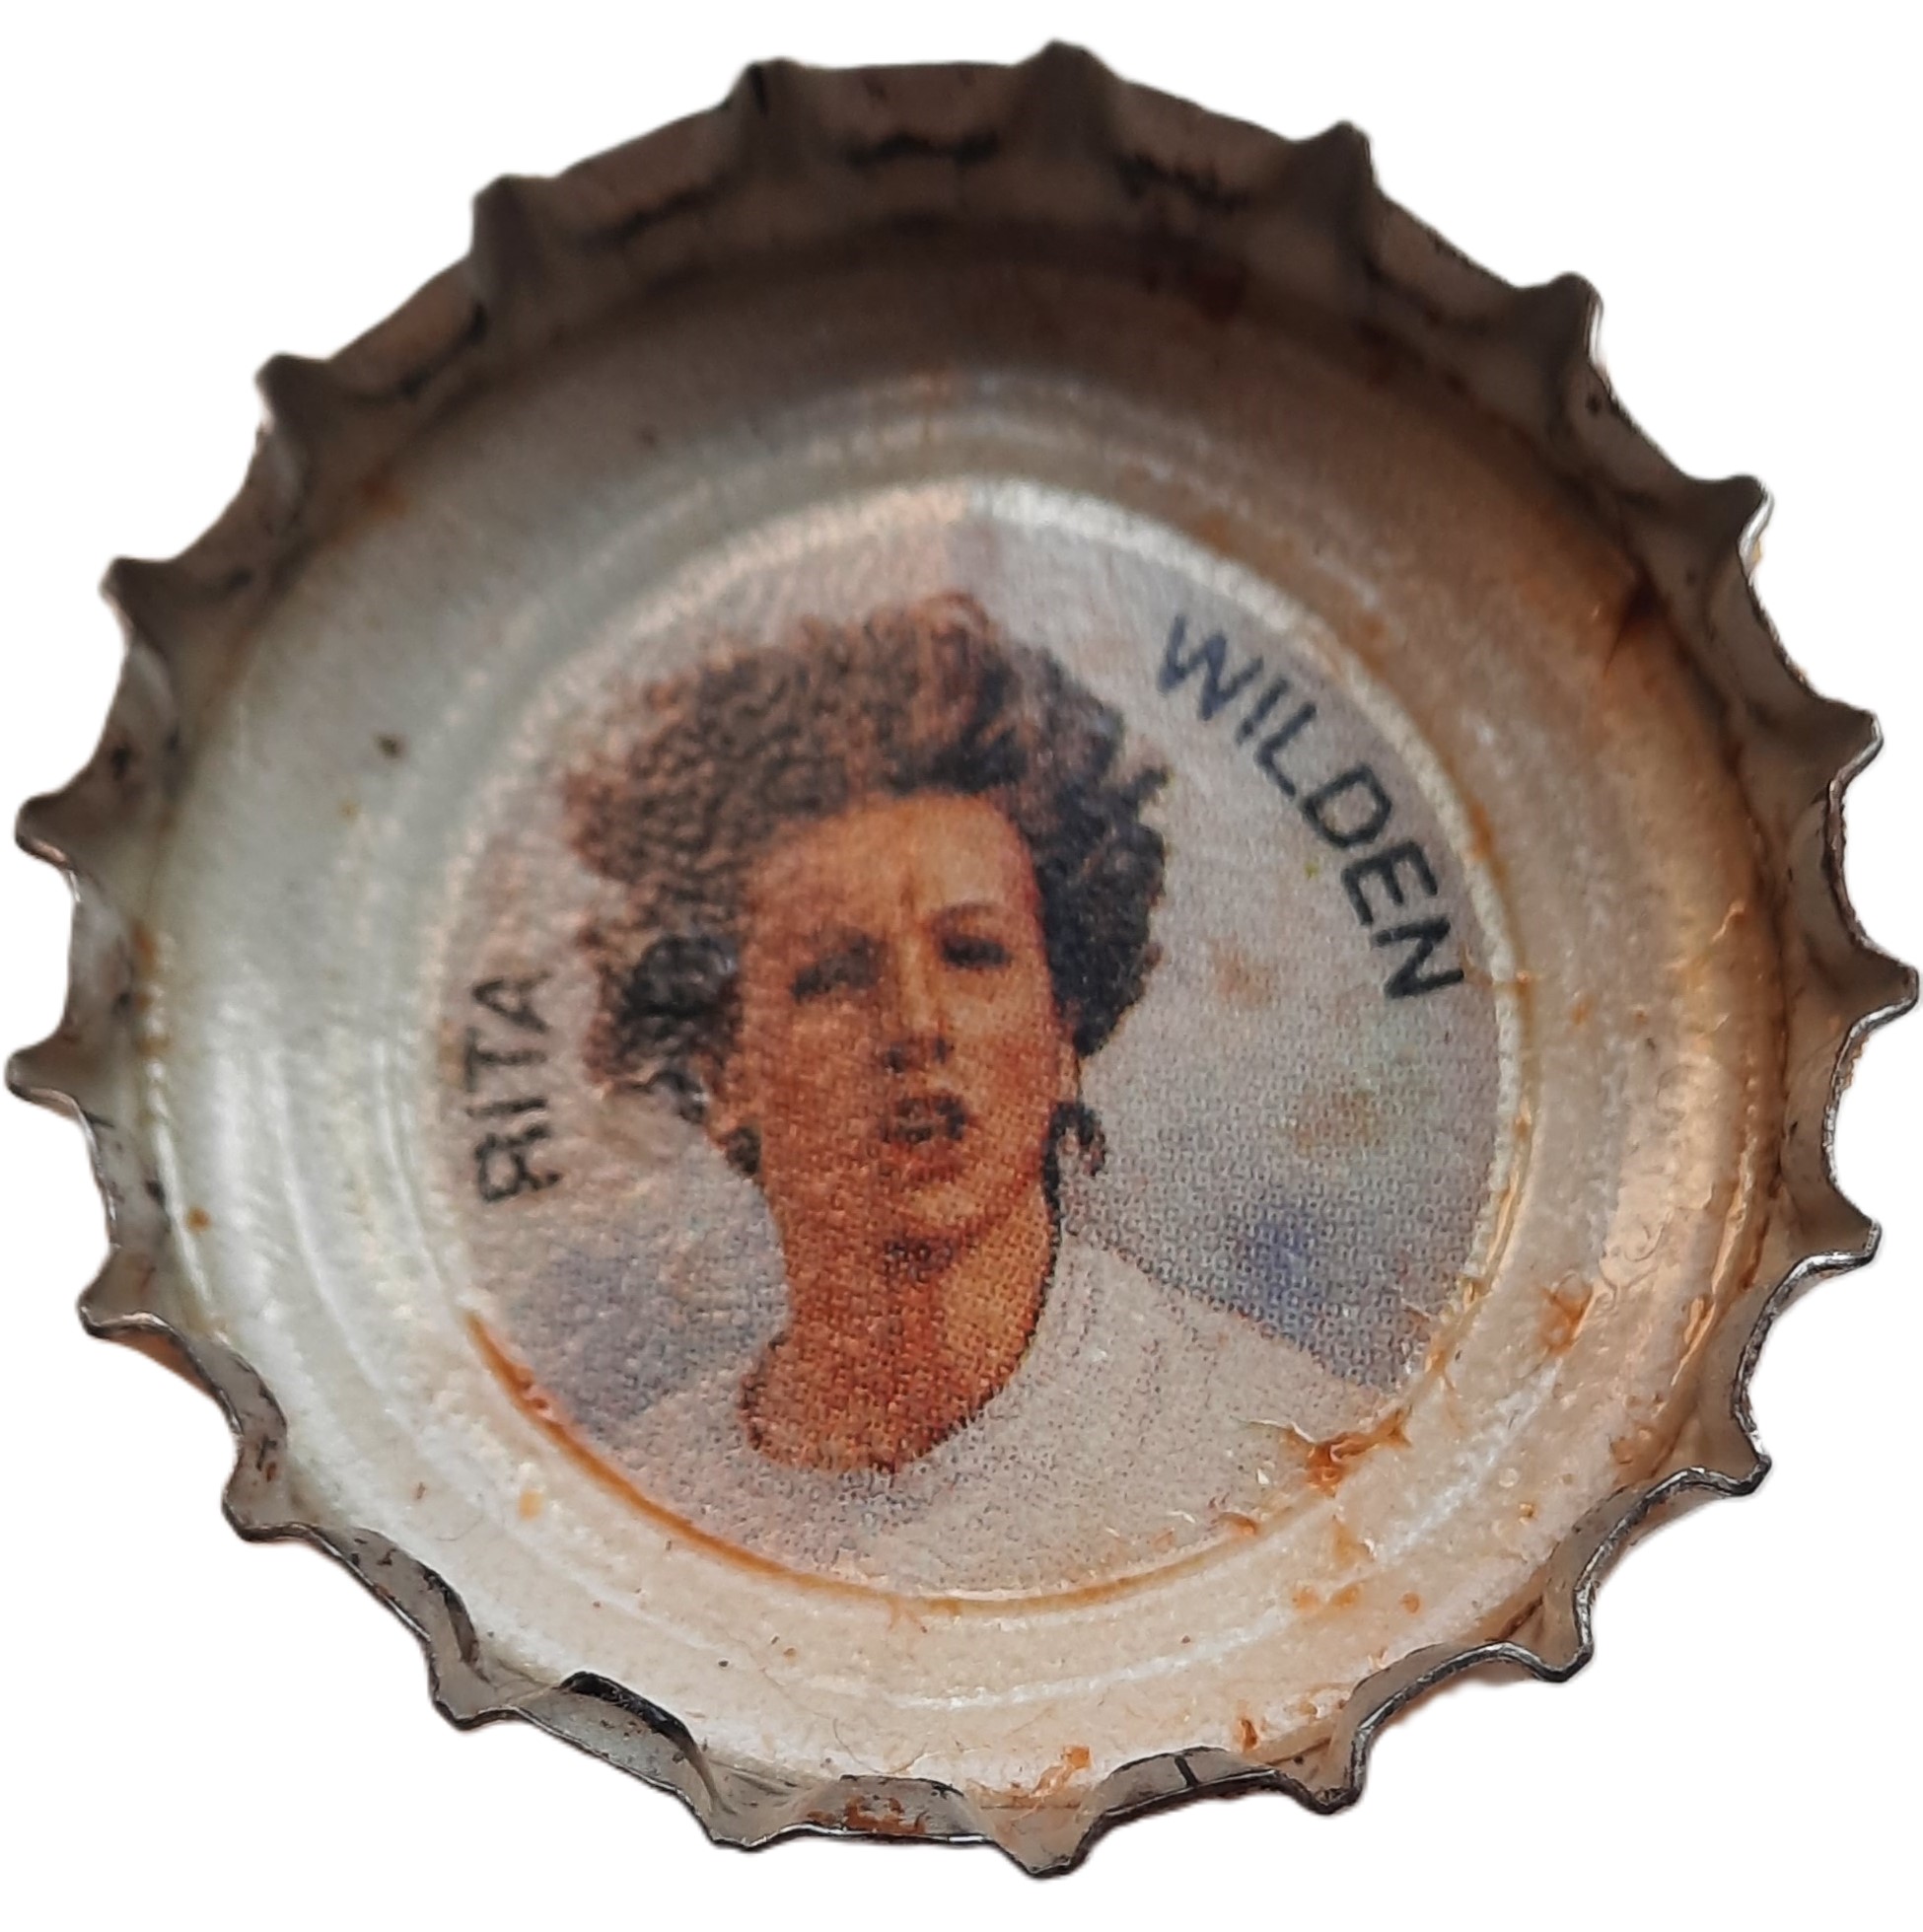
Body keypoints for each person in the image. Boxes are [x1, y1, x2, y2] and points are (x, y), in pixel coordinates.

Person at [562, 593, 1374, 1591]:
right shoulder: (634, 1513)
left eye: (974, 955)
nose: (915, 1023)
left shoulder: (1292, 1455)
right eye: (836, 976)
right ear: (725, 1072)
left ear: (1064, 1028)